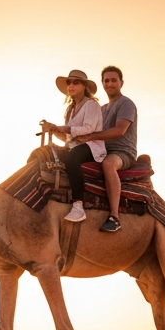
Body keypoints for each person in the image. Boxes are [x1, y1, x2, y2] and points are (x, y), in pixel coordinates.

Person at [61, 66, 137, 232]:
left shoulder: (126, 104)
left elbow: (120, 130)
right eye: (106, 81)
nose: (110, 84)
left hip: (122, 152)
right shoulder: (101, 109)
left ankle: (115, 216)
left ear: (121, 83)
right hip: (100, 148)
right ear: (102, 83)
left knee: (108, 164)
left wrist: (90, 137)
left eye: (113, 80)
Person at [40, 69, 104, 223]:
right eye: (69, 82)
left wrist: (62, 128)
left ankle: (78, 205)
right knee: (43, 155)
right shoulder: (70, 110)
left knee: (71, 159)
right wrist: (54, 129)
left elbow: (88, 129)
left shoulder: (91, 105)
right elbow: (67, 137)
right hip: (74, 145)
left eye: (76, 82)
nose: (71, 85)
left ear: (84, 86)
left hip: (91, 145)